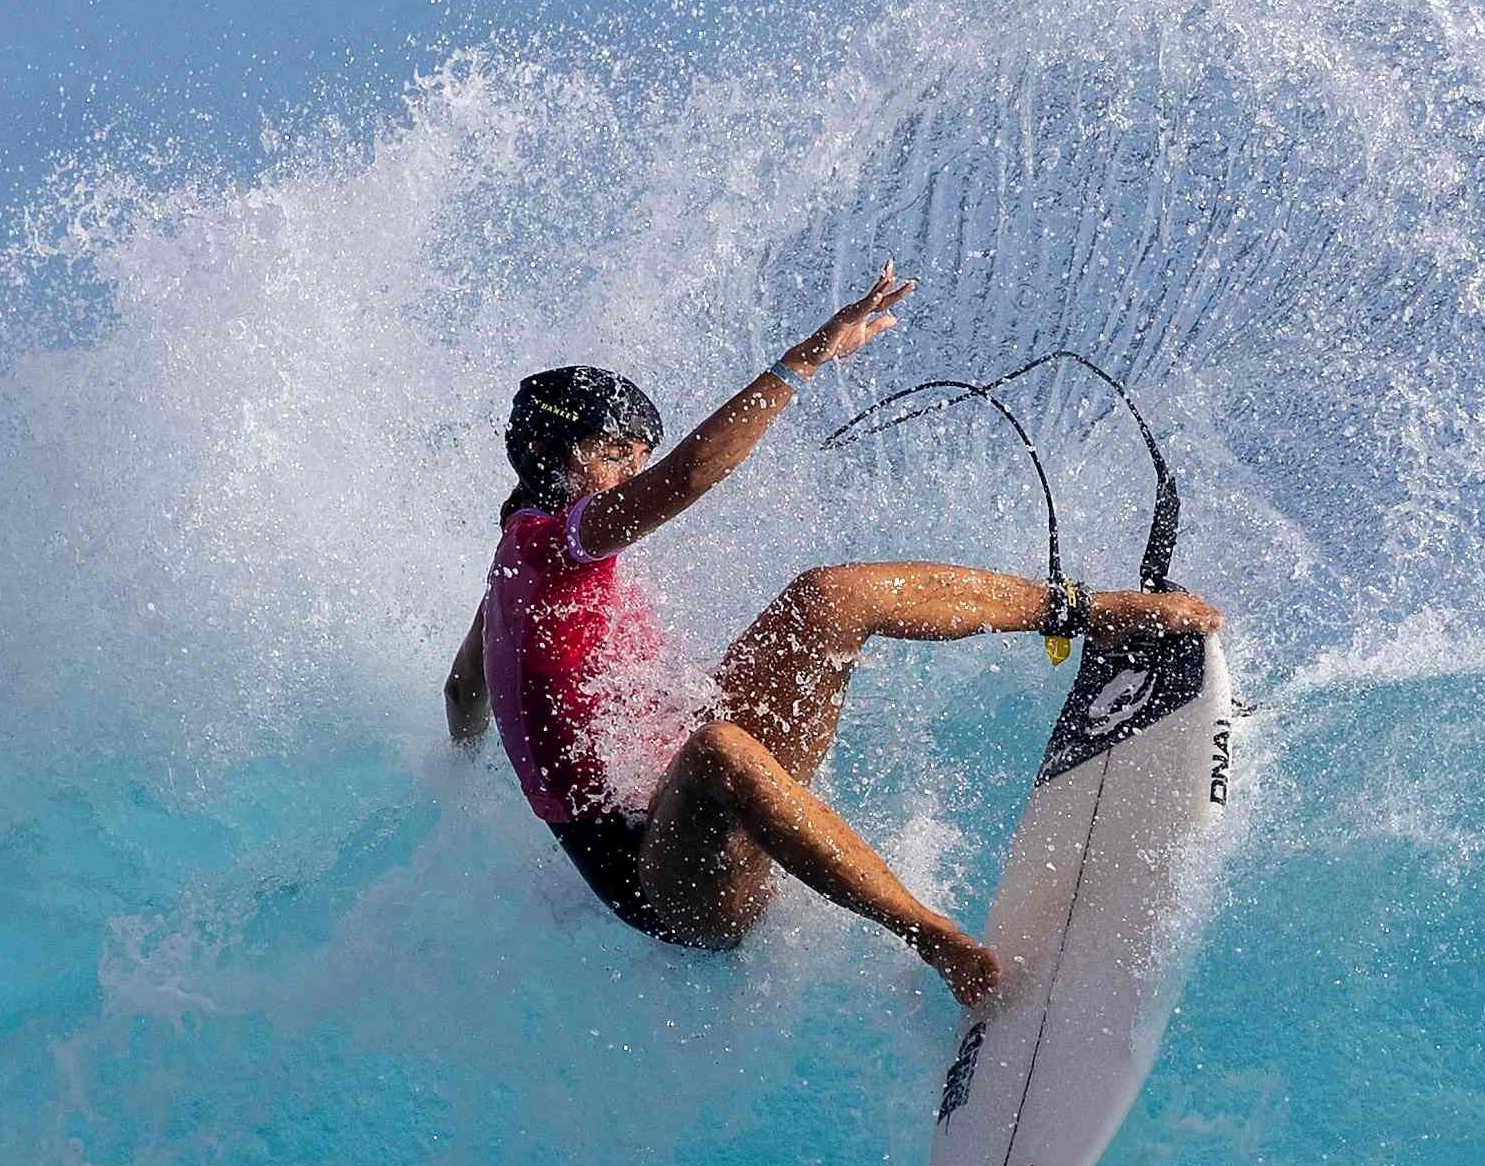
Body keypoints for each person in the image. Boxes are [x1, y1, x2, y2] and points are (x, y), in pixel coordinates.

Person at [443, 269, 1218, 1019]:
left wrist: (464, 767)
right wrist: (802, 360)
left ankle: (1087, 611)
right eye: (617, 455)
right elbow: (688, 479)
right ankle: (939, 942)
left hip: (690, 801)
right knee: (719, 748)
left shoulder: (514, 563)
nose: (634, 474)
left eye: (639, 456)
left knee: (828, 596)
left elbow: (461, 690)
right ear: (556, 453)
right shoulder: (551, 544)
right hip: (668, 888)